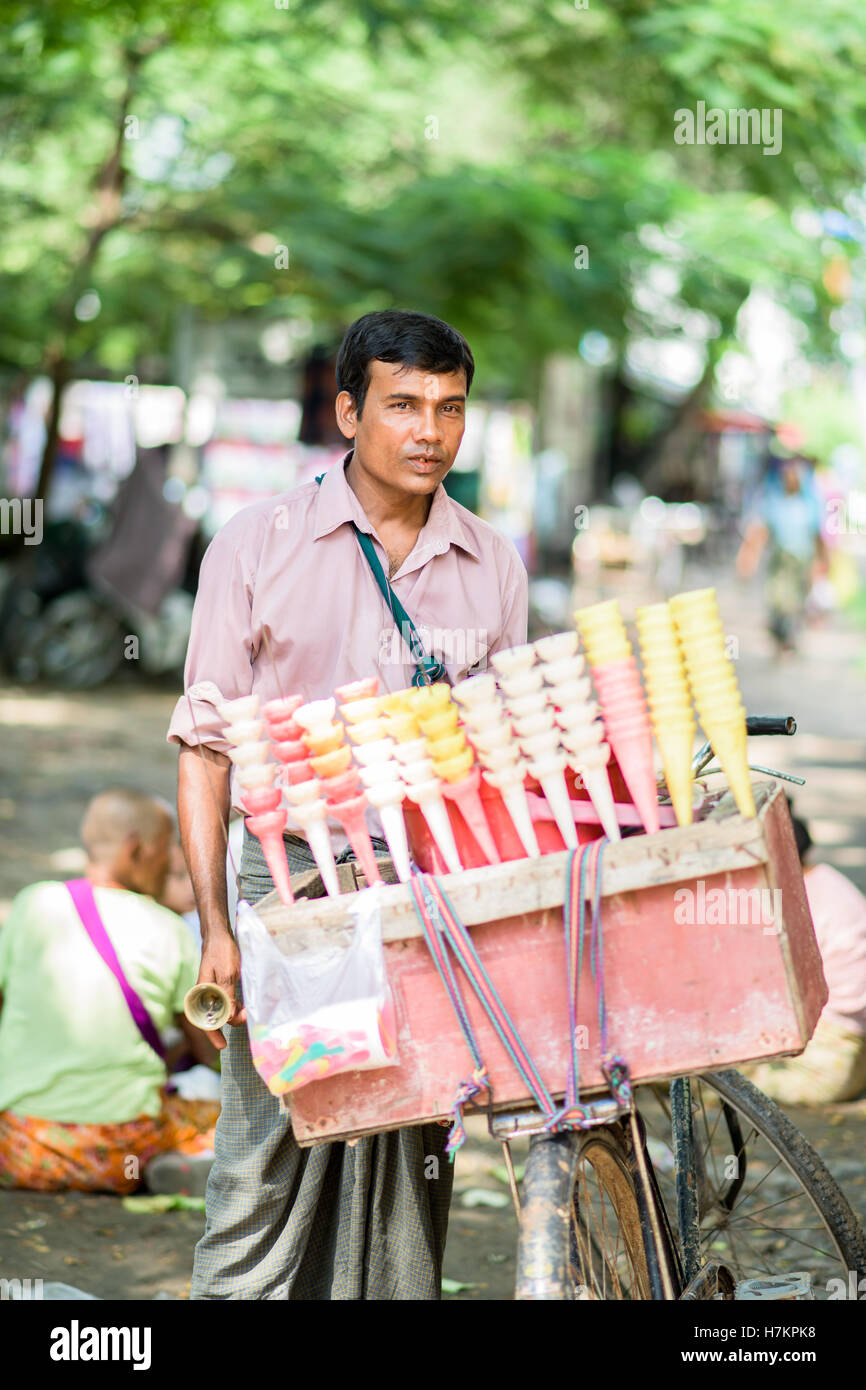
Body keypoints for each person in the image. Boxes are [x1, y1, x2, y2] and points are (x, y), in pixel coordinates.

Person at [169, 308, 529, 1300]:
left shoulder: (491, 564)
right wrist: (217, 928)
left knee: (413, 1156)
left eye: (449, 408)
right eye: (403, 405)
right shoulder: (255, 545)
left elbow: (490, 760)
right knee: (267, 1150)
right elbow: (204, 753)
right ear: (346, 411)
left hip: (428, 890)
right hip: (291, 886)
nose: (429, 431)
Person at [0, 789, 219, 1193]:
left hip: (19, 1150)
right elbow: (209, 1044)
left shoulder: (33, 903)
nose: (172, 859)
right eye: (167, 846)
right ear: (137, 850)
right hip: (121, 1155)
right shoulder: (167, 928)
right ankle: (176, 1165)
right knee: (229, 1115)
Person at [745, 808, 866, 1105]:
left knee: (716, 1079)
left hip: (828, 1061)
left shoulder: (798, 898)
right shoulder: (826, 880)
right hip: (852, 1052)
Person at [736, 455, 826, 653]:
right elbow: (759, 534)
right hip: (780, 561)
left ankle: (789, 640)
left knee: (795, 603)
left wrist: (821, 565)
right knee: (777, 601)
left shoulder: (810, 504)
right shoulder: (773, 502)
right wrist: (748, 561)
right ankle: (779, 638)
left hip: (801, 561)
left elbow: (818, 537)